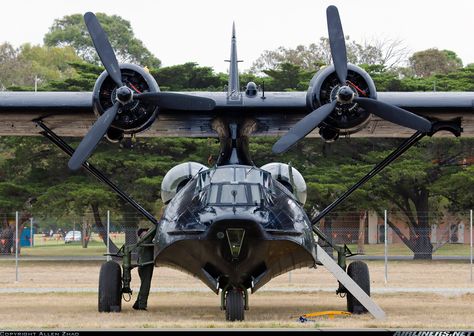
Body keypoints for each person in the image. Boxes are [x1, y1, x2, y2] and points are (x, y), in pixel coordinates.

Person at [133, 228, 155, 311]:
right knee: (145, 286)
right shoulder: (145, 240)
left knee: (143, 286)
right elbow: (152, 233)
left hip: (144, 266)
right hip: (146, 266)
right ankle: (142, 305)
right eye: (146, 232)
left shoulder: (142, 241)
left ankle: (138, 303)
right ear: (142, 234)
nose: (147, 232)